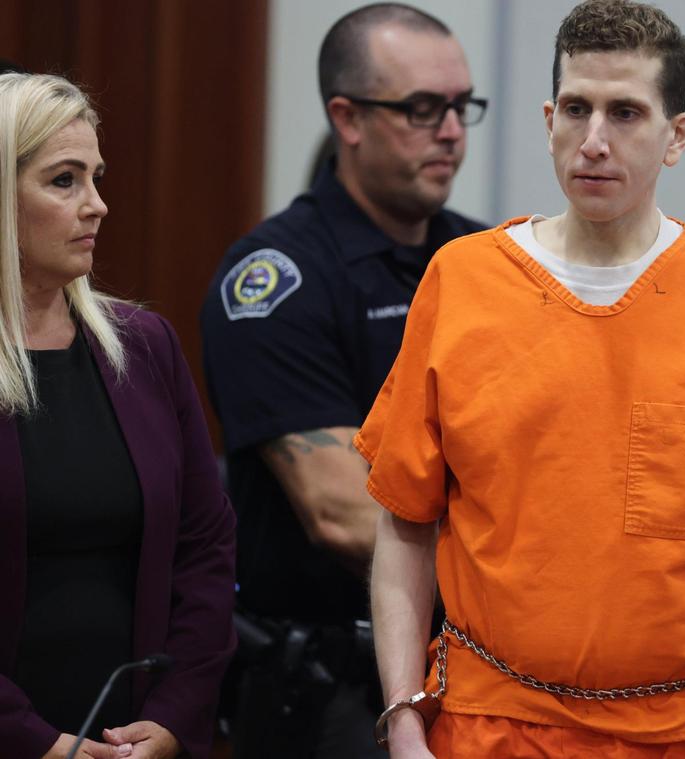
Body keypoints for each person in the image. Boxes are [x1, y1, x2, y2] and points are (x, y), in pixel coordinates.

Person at [355, 1, 685, 756]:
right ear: (548, 119)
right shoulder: (461, 280)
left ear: (677, 136)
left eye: (626, 113)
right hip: (485, 726)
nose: (594, 141)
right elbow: (405, 520)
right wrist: (402, 715)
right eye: (578, 110)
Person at [198, 3, 486, 757]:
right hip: (331, 690)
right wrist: (536, 555)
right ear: (347, 118)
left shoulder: (487, 261)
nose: (452, 131)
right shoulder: (277, 279)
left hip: (476, 668)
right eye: (423, 109)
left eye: (461, 106)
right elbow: (340, 510)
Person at [0, 73, 235, 759]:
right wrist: (35, 742)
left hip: (134, 738)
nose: (98, 205)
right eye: (64, 181)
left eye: (96, 177)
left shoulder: (144, 345)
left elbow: (206, 546)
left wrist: (173, 715)